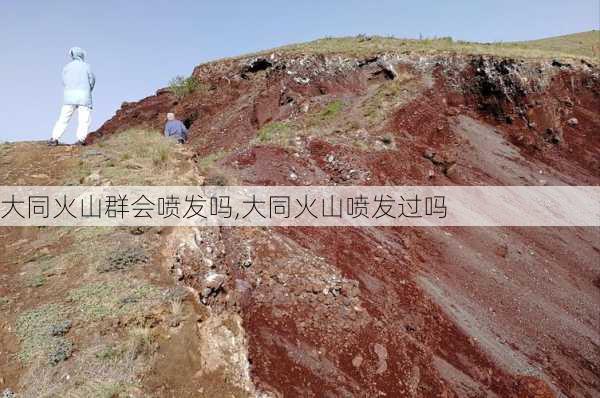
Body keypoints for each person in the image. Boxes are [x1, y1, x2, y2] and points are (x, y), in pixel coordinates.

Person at [48, 47, 96, 146]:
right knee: (84, 120)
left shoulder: (66, 67)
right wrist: (88, 89)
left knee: (63, 119)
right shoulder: (87, 66)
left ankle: (54, 138)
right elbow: (92, 80)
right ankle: (81, 140)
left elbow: (64, 81)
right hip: (84, 96)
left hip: (69, 97)